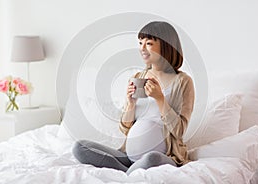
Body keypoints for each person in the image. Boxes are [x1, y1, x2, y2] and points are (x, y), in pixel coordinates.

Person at [72, 21, 195, 174]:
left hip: (162, 156)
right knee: (80, 147)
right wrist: (130, 104)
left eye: (148, 43)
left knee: (152, 159)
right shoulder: (138, 77)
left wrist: (160, 99)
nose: (142, 48)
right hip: (127, 155)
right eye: (140, 43)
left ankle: (126, 173)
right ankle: (129, 171)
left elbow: (179, 131)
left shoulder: (183, 81)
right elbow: (125, 128)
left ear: (166, 45)